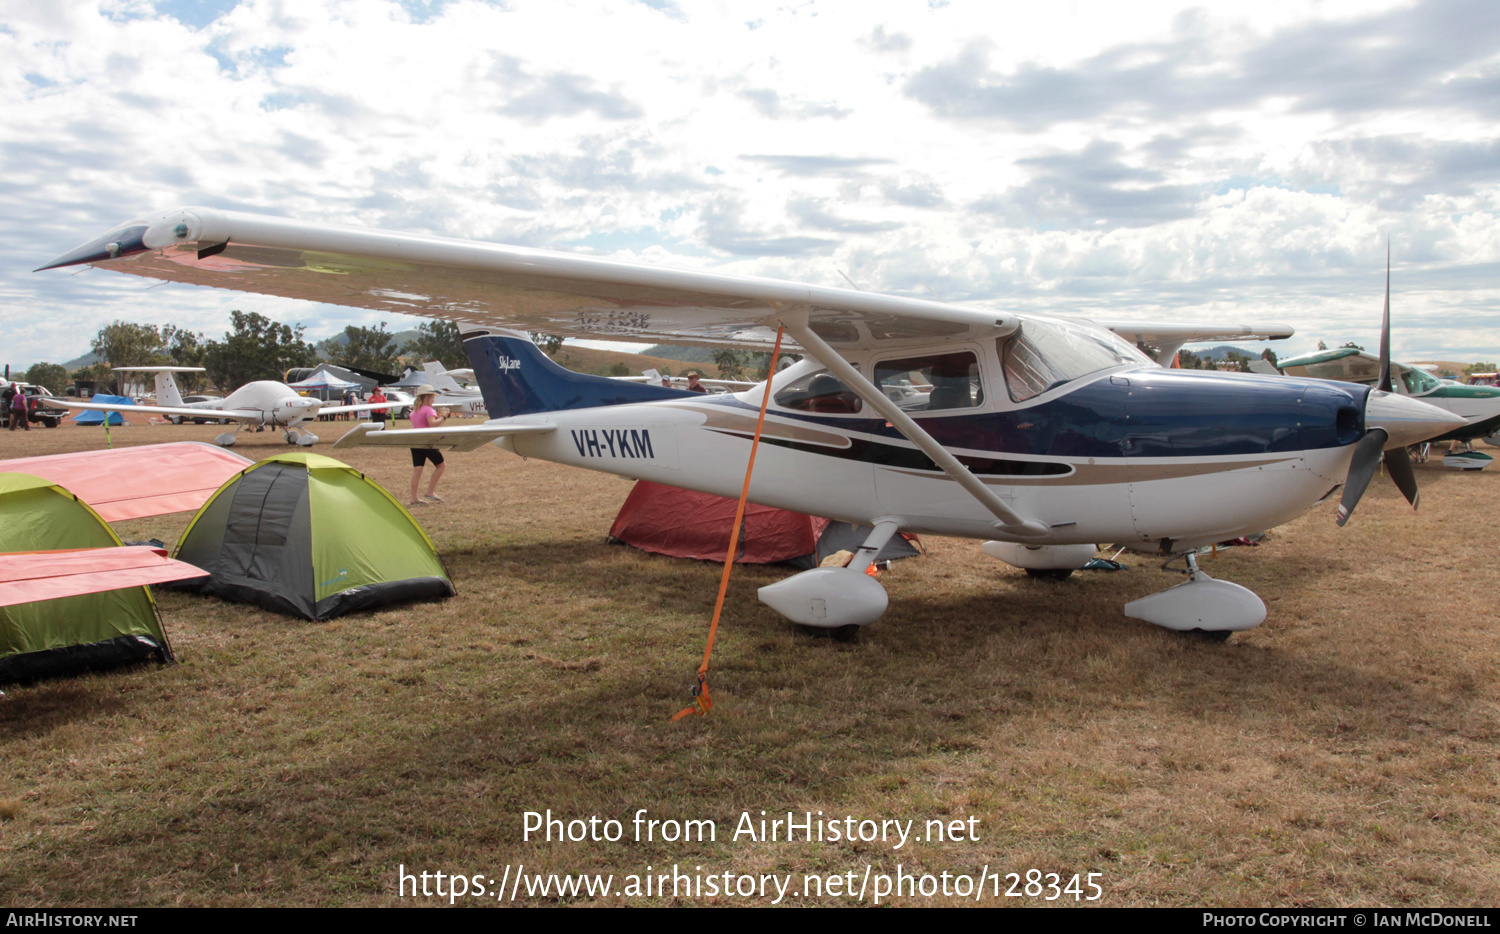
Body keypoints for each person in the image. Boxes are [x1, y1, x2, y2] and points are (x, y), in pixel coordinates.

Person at [408, 387, 446, 505]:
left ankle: (414, 498)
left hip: (415, 442)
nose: (433, 400)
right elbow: (433, 424)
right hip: (427, 442)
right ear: (427, 397)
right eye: (433, 398)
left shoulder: (414, 411)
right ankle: (430, 491)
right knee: (441, 466)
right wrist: (443, 417)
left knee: (417, 470)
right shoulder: (428, 410)